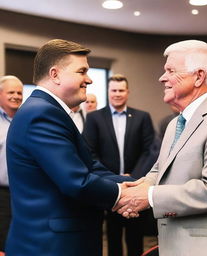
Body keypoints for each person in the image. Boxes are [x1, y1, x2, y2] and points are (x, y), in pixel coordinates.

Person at [114, 40, 207, 256]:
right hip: (173, 243)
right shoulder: (175, 124)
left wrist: (149, 196)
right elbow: (160, 169)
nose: (162, 78)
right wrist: (137, 188)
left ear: (198, 76)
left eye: (170, 70)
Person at [5, 39, 132, 256]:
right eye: (82, 71)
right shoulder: (41, 113)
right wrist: (127, 194)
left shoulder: (47, 110)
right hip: (51, 246)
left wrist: (135, 183)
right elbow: (77, 181)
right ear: (55, 75)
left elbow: (89, 166)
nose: (89, 79)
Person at [83, 74, 155, 256]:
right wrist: (113, 179)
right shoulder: (94, 118)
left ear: (128, 92)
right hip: (109, 188)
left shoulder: (142, 117)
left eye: (121, 90)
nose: (117, 94)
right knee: (112, 238)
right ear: (108, 92)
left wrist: (132, 178)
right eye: (113, 90)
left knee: (135, 239)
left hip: (135, 186)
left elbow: (149, 150)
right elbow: (90, 153)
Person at [0, 75, 23, 253]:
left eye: (19, 92)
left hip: (24, 192)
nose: (16, 96)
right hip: (2, 194)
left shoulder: (26, 119)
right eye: (11, 92)